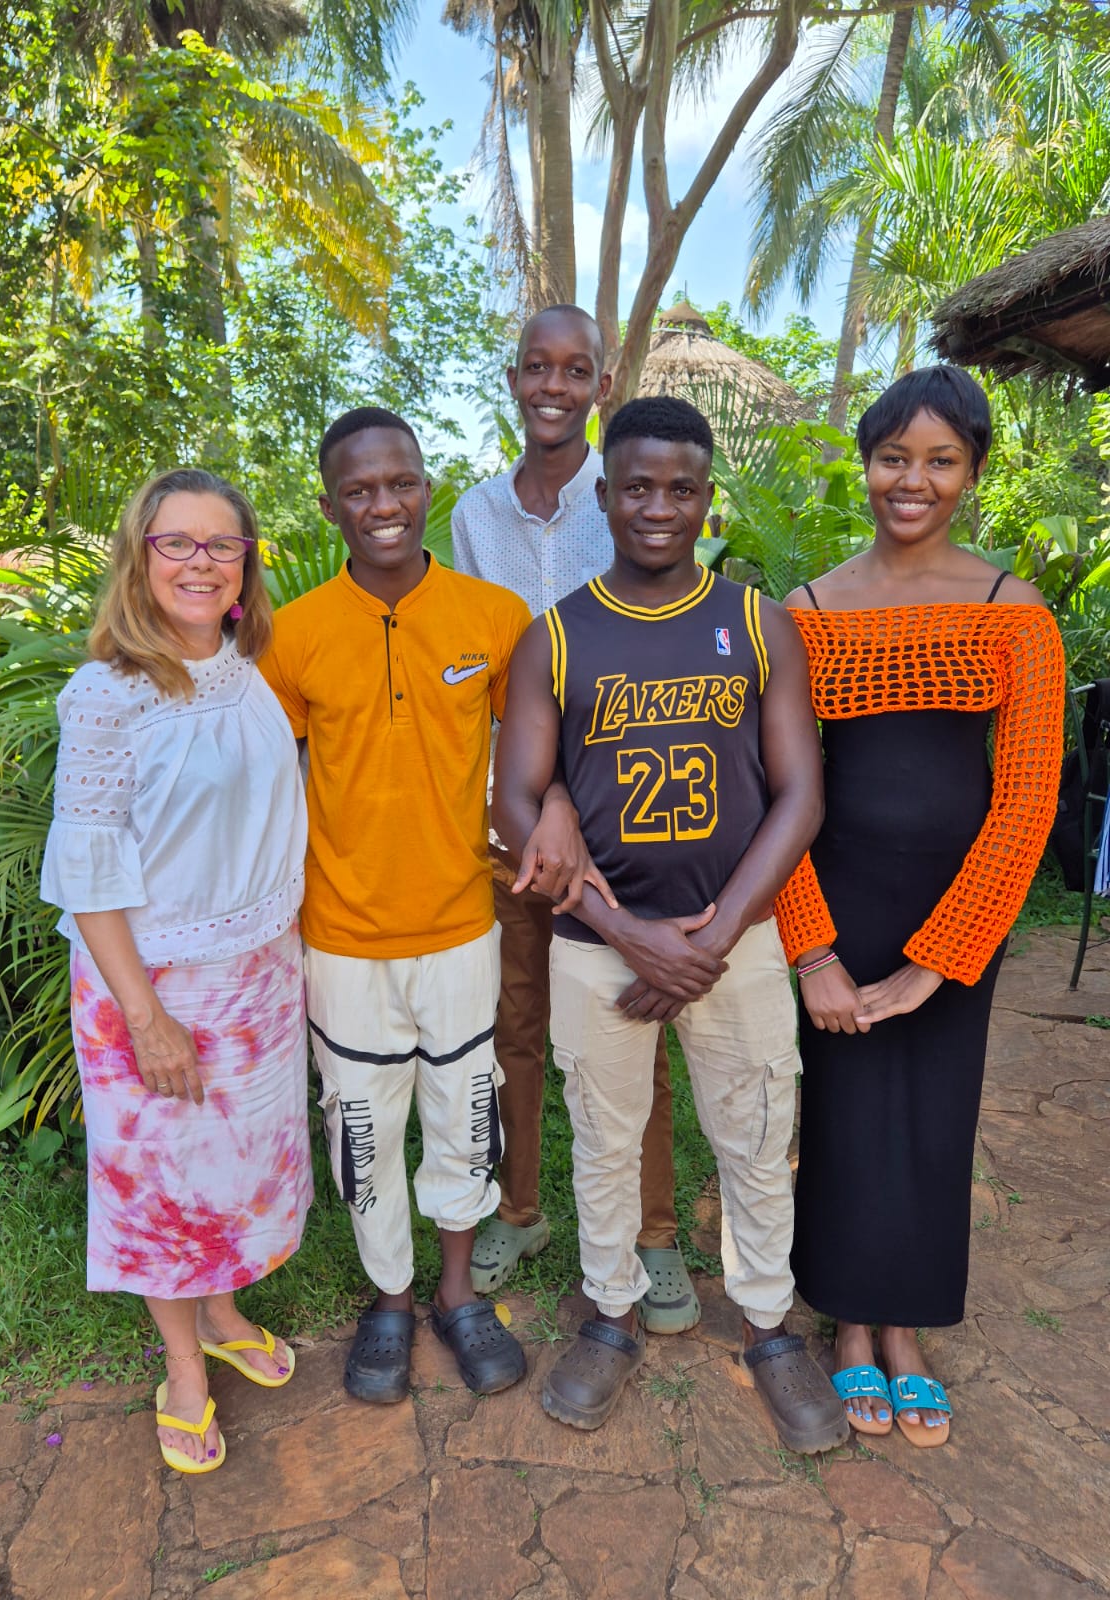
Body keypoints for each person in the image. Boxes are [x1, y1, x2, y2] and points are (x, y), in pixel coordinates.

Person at [493, 395, 849, 1449]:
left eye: (681, 488)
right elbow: (517, 802)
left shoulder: (757, 623)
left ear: (706, 498)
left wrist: (712, 937)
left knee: (756, 1131)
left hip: (734, 944)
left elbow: (801, 796)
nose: (659, 507)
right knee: (604, 1139)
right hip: (597, 945)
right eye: (638, 487)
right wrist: (629, 934)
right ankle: (610, 1314)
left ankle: (770, 1327)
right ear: (604, 496)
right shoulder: (556, 637)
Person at [261, 407, 598, 1405]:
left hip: (461, 921)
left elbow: (538, 749)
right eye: (360, 489)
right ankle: (390, 1299)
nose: (385, 504)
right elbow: (266, 779)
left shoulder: (492, 617)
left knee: (463, 1110)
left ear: (427, 489)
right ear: (330, 505)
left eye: (401, 482)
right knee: (362, 1127)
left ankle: (456, 1292)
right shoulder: (293, 636)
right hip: (342, 934)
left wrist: (561, 805)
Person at [775, 365, 1065, 1447]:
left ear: (972, 472)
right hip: (839, 902)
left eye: (941, 460)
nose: (914, 480)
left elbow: (1029, 795)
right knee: (844, 1113)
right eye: (894, 457)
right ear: (866, 464)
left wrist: (943, 954)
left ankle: (905, 1330)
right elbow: (779, 792)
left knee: (937, 1114)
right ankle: (850, 1323)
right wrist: (813, 950)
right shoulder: (805, 613)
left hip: (961, 906)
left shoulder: (1011, 612)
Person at [40, 468, 311, 1476]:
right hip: (150, 986)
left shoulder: (246, 665)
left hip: (257, 976)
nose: (201, 562)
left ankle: (225, 1311)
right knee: (166, 1187)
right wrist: (145, 1015)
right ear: (139, 557)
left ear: (246, 562)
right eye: (176, 542)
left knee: (232, 1170)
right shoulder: (107, 696)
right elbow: (89, 871)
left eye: (221, 543)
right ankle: (185, 1368)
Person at [453, 304, 701, 1334]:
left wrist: (571, 792)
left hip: (625, 816)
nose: (552, 387)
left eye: (574, 370)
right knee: (517, 1021)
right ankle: (519, 1210)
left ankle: (654, 1231)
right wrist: (541, 796)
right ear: (514, 379)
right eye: (535, 367)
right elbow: (494, 678)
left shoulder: (632, 496)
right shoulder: (474, 516)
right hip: (514, 817)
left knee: (637, 1024)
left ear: (602, 386)